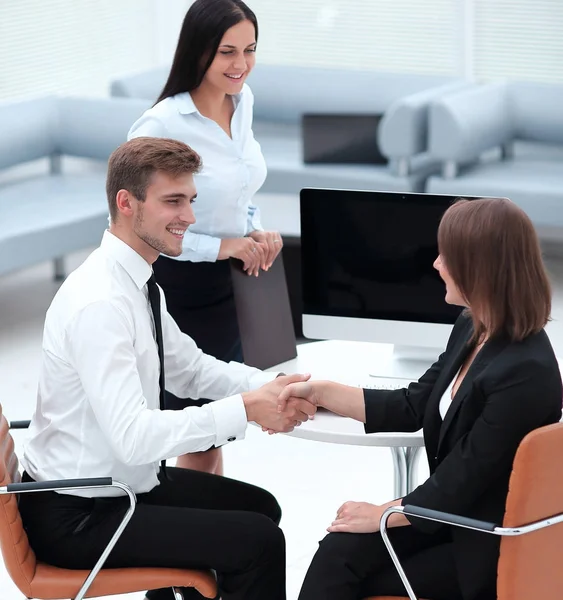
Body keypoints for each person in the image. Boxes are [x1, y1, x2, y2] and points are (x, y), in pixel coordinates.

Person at [19, 137, 315, 600]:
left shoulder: (138, 282)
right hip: (80, 513)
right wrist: (246, 410)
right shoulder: (100, 303)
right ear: (127, 203)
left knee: (261, 508)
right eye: (173, 201)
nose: (190, 217)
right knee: (258, 542)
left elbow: (190, 371)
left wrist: (275, 386)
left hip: (121, 487)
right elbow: (133, 438)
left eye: (191, 200)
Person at [277, 198, 563, 600]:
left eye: (447, 255)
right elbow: (413, 404)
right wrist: (320, 392)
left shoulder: (524, 372)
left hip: (482, 544)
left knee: (348, 570)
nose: (436, 264)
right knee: (340, 550)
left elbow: (464, 477)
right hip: (449, 520)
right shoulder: (473, 327)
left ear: (478, 268)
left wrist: (384, 513)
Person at [128, 0, 280, 476]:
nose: (241, 65)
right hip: (181, 284)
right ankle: (192, 539)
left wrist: (252, 227)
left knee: (219, 430)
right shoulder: (162, 124)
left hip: (229, 283)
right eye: (227, 52)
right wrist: (221, 246)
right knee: (200, 429)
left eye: (250, 50)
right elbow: (138, 218)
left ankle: (205, 537)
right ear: (200, 53)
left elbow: (238, 187)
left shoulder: (243, 102)